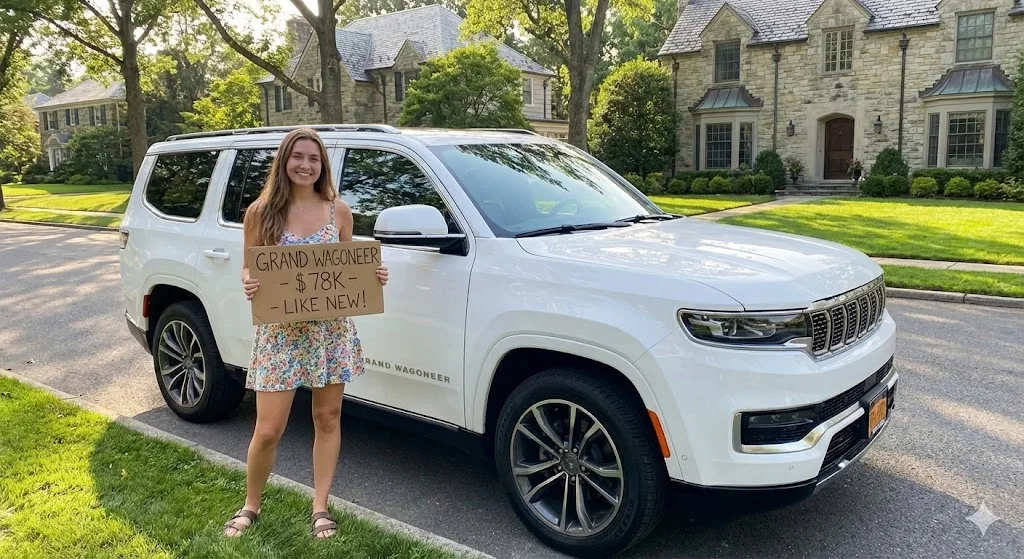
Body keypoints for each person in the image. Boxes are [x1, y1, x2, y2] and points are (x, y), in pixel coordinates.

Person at [222, 127, 389, 539]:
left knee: (327, 417)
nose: (305, 165)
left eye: (313, 159)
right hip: (280, 336)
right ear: (284, 160)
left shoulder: (338, 211)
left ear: (322, 165)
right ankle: (250, 505)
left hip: (328, 334)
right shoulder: (261, 213)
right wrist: (249, 281)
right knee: (268, 429)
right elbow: (249, 266)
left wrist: (373, 275)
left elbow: (349, 266)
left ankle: (320, 507)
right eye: (298, 156)